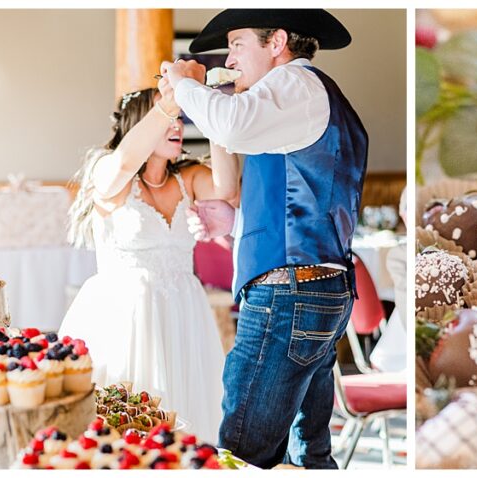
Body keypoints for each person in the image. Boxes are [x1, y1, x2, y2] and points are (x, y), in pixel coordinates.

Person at [162, 9, 368, 469]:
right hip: (315, 287)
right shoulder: (300, 100)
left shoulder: (294, 83)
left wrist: (182, 82)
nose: (229, 56)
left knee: (243, 453)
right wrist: (234, 225)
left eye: (236, 44)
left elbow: (230, 125)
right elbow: (247, 184)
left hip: (287, 295)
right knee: (307, 453)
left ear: (276, 42)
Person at [58, 80, 238, 442]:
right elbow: (125, 162)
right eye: (169, 116)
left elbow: (227, 189)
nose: (178, 125)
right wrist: (167, 105)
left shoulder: (187, 177)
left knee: (188, 423)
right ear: (144, 121)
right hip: (125, 317)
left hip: (183, 315)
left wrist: (214, 115)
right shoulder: (110, 173)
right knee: (127, 425)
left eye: (180, 117)